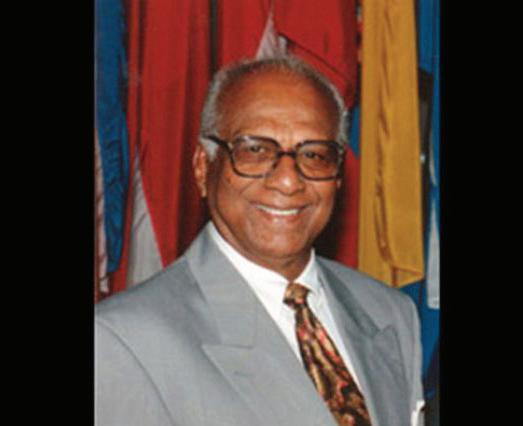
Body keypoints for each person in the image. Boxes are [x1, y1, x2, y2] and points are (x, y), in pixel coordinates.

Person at [95, 56, 425, 426]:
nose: (288, 181)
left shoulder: (390, 312)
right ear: (203, 168)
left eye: (314, 155)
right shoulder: (123, 342)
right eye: (255, 150)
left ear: (337, 178)